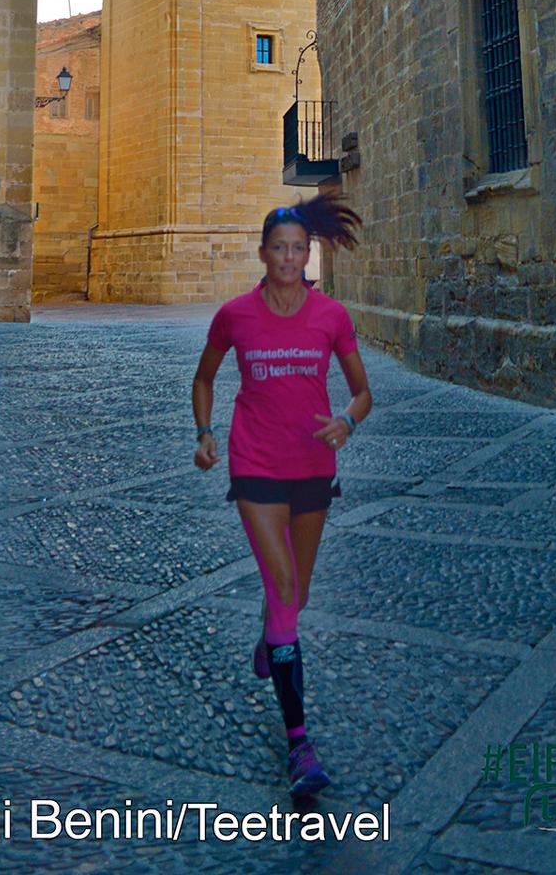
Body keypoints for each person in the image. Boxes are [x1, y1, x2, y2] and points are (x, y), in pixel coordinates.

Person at [191, 194, 371, 799]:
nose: (290, 257)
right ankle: (299, 742)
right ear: (263, 253)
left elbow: (362, 392)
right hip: (256, 465)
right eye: (280, 248)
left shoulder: (331, 316)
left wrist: (347, 420)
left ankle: (274, 632)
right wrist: (205, 432)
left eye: (299, 248)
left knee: (297, 589)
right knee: (286, 587)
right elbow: (205, 376)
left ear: (306, 253)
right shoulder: (235, 316)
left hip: (313, 467)